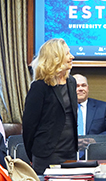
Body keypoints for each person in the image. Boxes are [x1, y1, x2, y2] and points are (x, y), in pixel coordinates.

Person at [22, 38, 77, 175]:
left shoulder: (71, 82)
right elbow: (29, 125)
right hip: (46, 155)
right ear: (56, 58)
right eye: (67, 54)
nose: (72, 57)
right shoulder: (39, 87)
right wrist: (32, 155)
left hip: (70, 153)